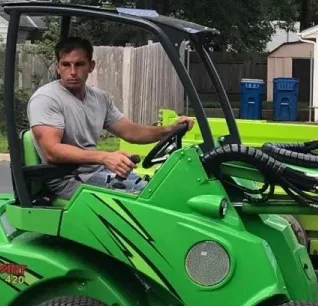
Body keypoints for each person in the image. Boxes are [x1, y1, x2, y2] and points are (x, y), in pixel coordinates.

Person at [28, 37, 194, 199]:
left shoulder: (99, 98)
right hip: (68, 180)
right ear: (58, 67)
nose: (72, 71)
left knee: (163, 190)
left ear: (91, 66)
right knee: (152, 199)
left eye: (79, 64)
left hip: (96, 173)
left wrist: (170, 129)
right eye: (66, 65)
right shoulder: (47, 99)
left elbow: (131, 132)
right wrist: (105, 157)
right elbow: (52, 152)